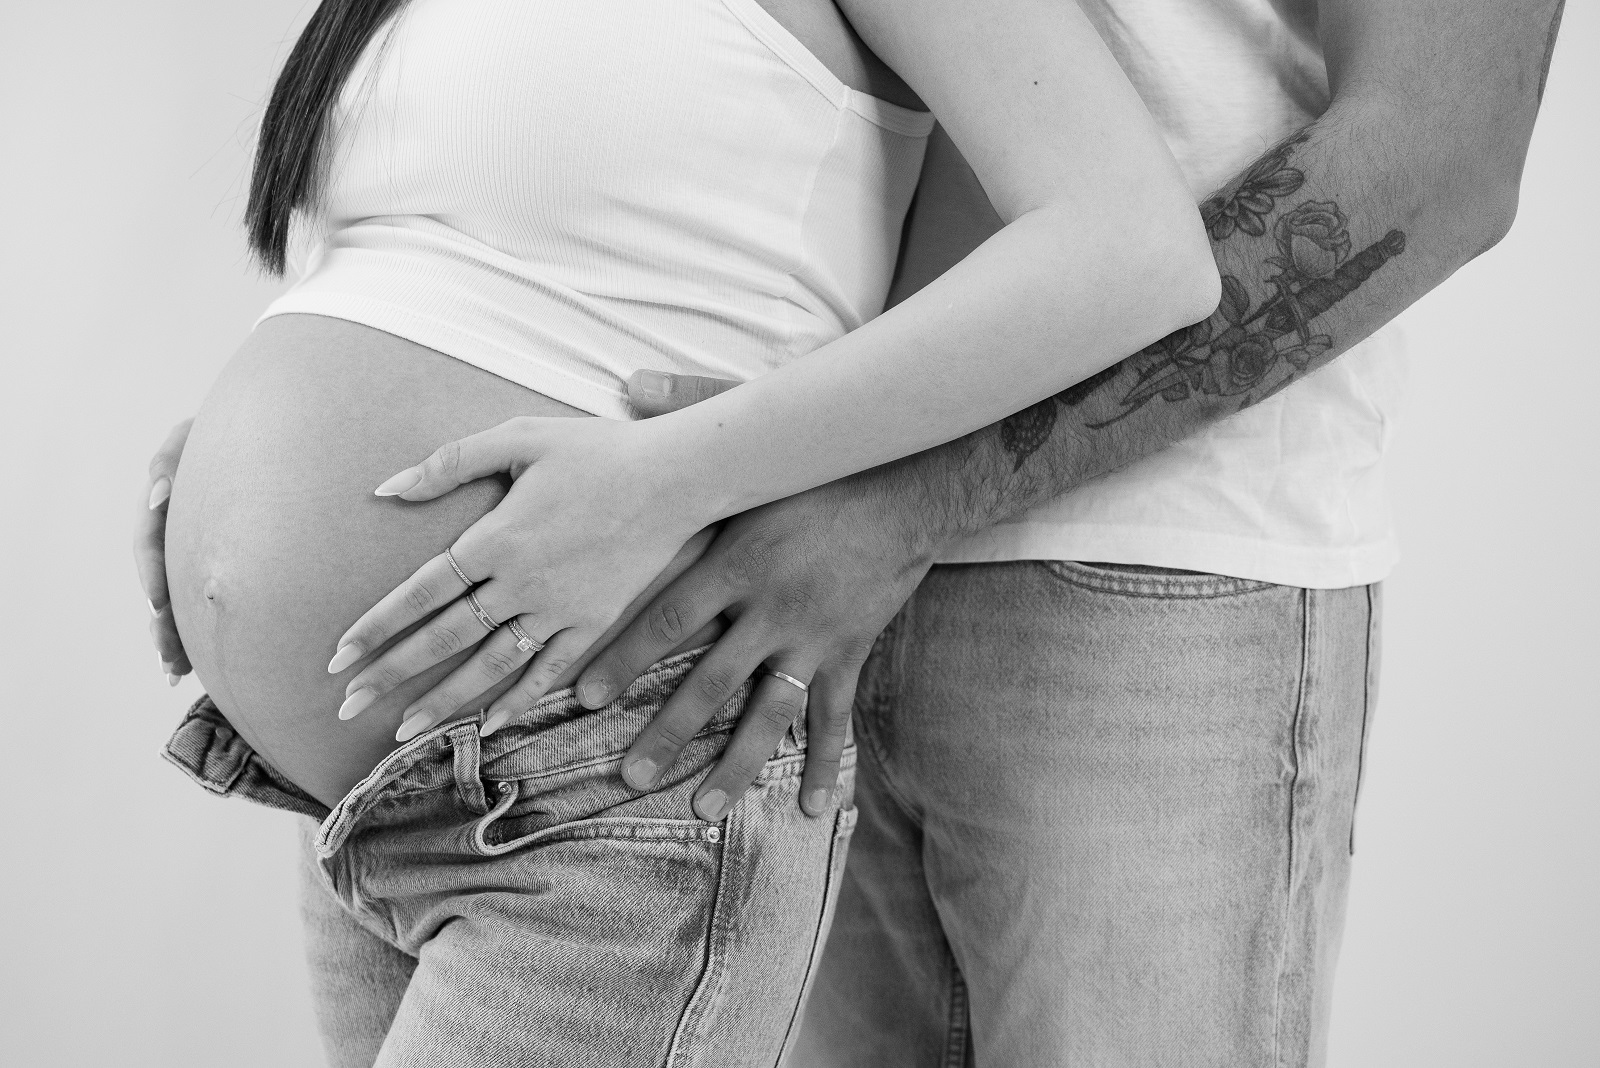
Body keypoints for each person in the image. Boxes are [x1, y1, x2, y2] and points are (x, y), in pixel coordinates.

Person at [138, 0, 1221, 1064]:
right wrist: (248, 449)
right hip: (359, 792)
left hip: (593, 756)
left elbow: (1131, 245)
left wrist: (670, 479)